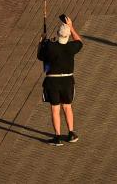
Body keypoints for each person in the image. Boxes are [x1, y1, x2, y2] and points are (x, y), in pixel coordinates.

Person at [37, 15, 83, 146]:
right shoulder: (72, 47)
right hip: (67, 81)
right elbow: (79, 41)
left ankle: (57, 137)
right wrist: (72, 27)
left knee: (55, 109)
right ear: (68, 36)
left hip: (52, 82)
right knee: (67, 107)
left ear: (57, 34)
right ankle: (71, 133)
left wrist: (41, 41)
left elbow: (40, 56)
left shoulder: (50, 47)